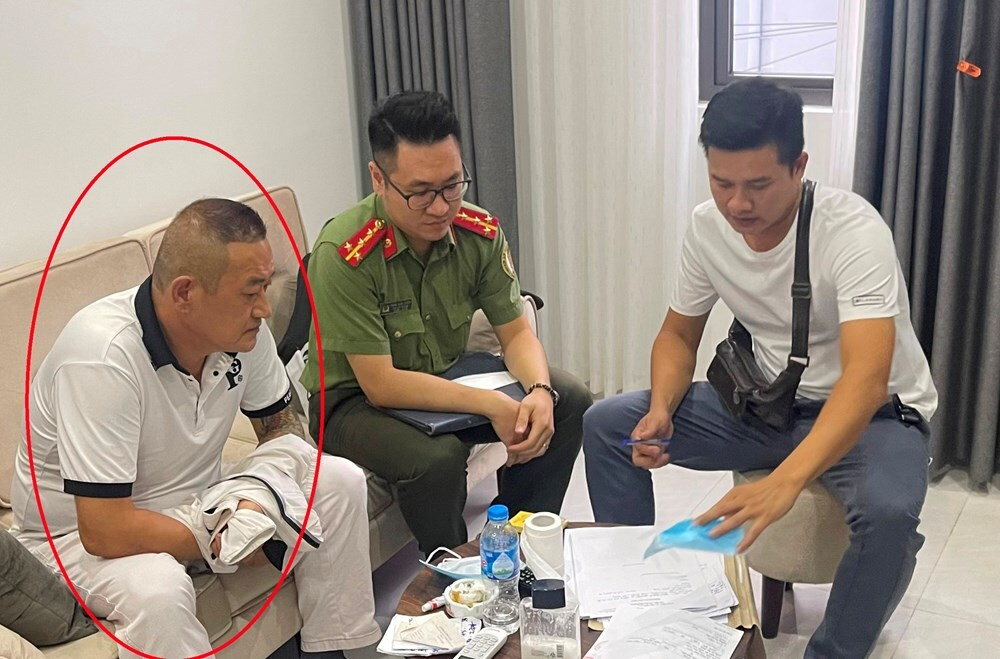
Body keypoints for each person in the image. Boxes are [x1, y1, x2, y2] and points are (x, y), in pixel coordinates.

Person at [583, 78, 937, 658]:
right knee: (608, 424)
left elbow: (867, 379)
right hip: (768, 406)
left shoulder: (853, 231)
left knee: (889, 513)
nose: (738, 205)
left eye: (758, 185)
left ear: (799, 167)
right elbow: (678, 335)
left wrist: (786, 481)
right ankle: (637, 610)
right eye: (721, 183)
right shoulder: (707, 227)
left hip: (871, 416)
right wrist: (662, 409)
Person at [10, 199, 381, 659]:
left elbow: (283, 427)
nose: (265, 308)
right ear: (185, 293)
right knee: (159, 590)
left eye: (266, 287)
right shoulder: (101, 356)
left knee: (338, 481)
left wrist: (260, 499)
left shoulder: (242, 333)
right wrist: (225, 540)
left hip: (199, 500)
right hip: (75, 539)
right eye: (250, 293)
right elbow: (104, 530)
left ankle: (338, 650)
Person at [302, 90, 592, 555]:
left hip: (445, 379)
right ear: (378, 179)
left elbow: (516, 332)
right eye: (420, 193)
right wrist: (490, 405)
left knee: (568, 398)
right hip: (354, 405)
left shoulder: (478, 232)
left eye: (452, 186)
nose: (440, 207)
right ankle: (456, 575)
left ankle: (517, 546)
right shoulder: (345, 253)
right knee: (437, 457)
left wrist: (539, 390)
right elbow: (381, 384)